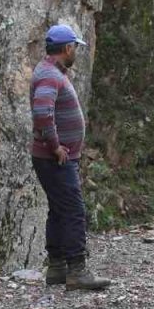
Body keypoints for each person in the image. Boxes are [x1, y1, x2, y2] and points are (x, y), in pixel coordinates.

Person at [30, 24, 110, 291]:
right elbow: (43, 112)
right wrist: (55, 146)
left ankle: (57, 267)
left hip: (54, 157)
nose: (76, 51)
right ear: (66, 48)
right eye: (75, 47)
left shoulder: (50, 71)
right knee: (74, 211)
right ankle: (77, 270)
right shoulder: (50, 75)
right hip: (56, 158)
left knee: (58, 209)